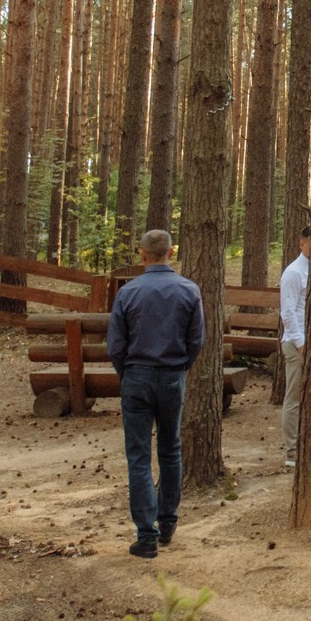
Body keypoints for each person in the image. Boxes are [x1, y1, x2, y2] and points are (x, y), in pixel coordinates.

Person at [106, 229, 204, 558]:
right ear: (170, 252)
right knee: (170, 449)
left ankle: (146, 533)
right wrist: (178, 366)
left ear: (143, 255)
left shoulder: (128, 293)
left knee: (138, 455)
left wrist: (129, 371)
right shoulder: (189, 290)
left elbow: (115, 344)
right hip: (172, 375)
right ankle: (168, 522)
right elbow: (196, 340)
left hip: (137, 375)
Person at [277, 226, 311, 470]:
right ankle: (292, 449)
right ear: (302, 243)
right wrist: (300, 344)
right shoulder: (293, 272)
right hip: (297, 342)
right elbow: (287, 310)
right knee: (294, 396)